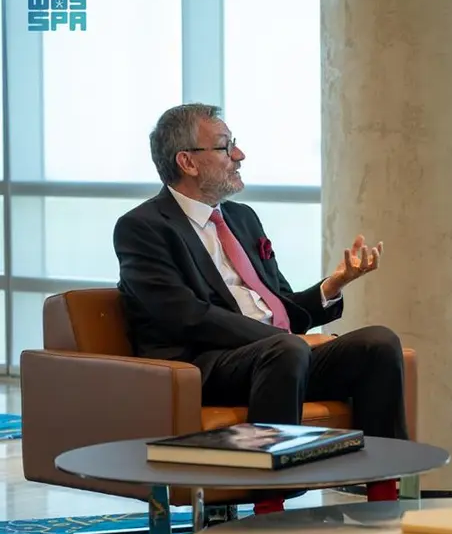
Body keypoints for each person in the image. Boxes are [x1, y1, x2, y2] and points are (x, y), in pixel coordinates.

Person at [114, 103, 408, 512]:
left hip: (279, 357)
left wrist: (332, 286)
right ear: (187, 162)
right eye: (225, 146)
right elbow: (186, 316)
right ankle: (270, 506)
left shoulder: (243, 219)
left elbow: (278, 304)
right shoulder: (143, 227)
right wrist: (286, 339)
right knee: (286, 348)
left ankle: (384, 496)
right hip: (204, 365)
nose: (239, 155)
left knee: (378, 343)